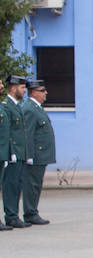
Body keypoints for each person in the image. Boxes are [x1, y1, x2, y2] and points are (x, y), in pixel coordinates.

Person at [18, 79, 55, 225]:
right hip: (35, 155)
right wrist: (29, 155)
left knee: (36, 184)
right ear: (33, 93)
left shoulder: (36, 107)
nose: (45, 93)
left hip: (41, 155)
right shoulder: (29, 108)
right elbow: (28, 134)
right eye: (42, 91)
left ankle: (32, 211)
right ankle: (30, 213)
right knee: (31, 184)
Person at [2, 74, 27, 229]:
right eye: (22, 87)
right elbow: (7, 132)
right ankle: (10, 215)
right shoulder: (5, 106)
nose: (24, 90)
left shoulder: (16, 106)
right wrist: (10, 152)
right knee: (10, 185)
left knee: (17, 184)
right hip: (12, 153)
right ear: (13, 88)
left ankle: (13, 215)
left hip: (19, 152)